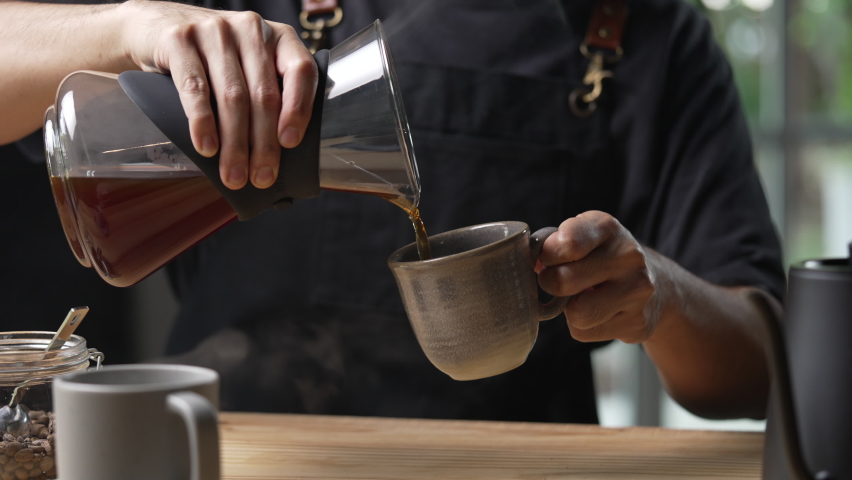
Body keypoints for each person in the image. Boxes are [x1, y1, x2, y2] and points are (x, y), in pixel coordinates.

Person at [0, 0, 784, 423]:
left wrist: (659, 297)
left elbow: (754, 375)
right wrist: (127, 24)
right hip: (228, 451)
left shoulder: (646, 32)